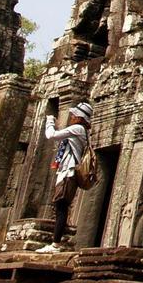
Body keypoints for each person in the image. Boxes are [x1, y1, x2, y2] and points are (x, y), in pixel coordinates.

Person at [36, 101, 92, 253]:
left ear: (79, 118)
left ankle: (56, 244)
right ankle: (58, 241)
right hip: (67, 171)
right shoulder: (79, 130)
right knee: (61, 207)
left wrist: (49, 121)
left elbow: (51, 135)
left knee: (61, 207)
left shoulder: (78, 129)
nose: (71, 117)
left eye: (74, 115)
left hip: (69, 172)